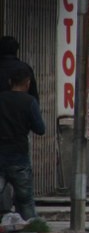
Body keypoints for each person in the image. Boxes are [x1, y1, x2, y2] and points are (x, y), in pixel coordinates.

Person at [0, 68, 45, 220]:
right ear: (27, 84)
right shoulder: (29, 102)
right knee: (25, 202)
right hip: (19, 158)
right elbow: (40, 129)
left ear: (9, 82)